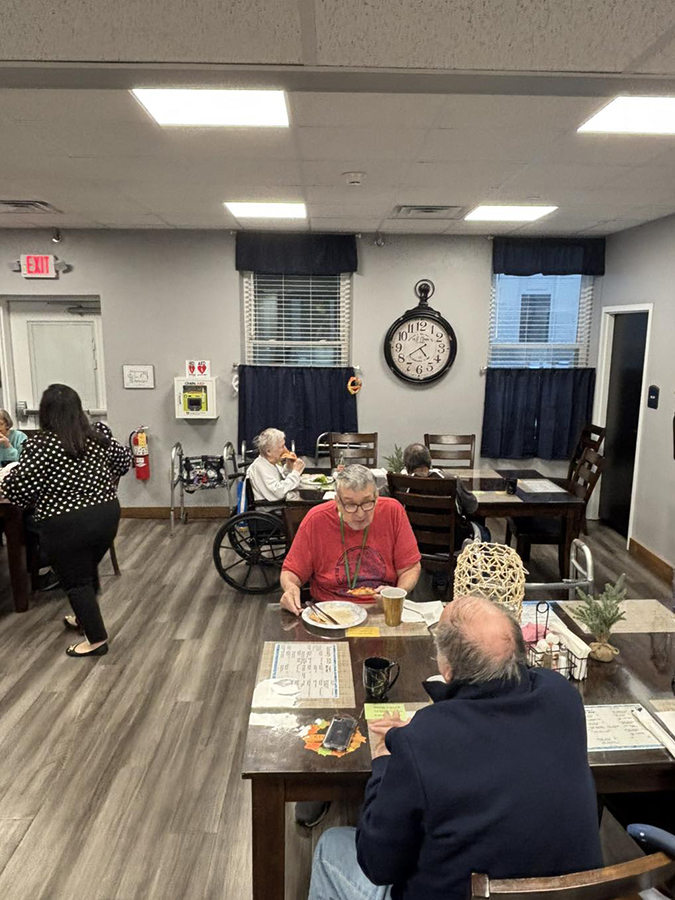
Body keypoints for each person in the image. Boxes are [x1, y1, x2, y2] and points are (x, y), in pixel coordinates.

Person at [309, 595, 603, 900]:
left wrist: (384, 760)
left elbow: (377, 865)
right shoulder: (564, 697)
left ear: (446, 669)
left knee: (330, 848)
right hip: (572, 894)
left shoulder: (422, 740)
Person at [2, 384, 132, 657]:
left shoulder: (40, 444)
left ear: (45, 412)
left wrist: (10, 476)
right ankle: (85, 617)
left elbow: (19, 492)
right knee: (85, 568)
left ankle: (96, 640)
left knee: (76, 581)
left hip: (65, 522)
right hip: (106, 515)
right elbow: (123, 463)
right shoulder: (97, 436)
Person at [280, 464, 421, 613]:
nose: (360, 514)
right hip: (329, 609)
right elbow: (292, 571)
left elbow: (410, 567)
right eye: (350, 505)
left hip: (383, 608)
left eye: (367, 503)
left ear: (377, 497)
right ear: (337, 501)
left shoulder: (393, 511)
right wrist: (290, 589)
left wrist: (396, 594)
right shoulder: (316, 519)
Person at [400, 442, 489, 546]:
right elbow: (472, 507)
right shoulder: (451, 480)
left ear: (407, 467)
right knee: (485, 533)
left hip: (415, 543)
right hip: (453, 544)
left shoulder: (399, 484)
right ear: (429, 462)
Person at [246, 427, 305, 503]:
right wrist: (296, 472)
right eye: (282, 447)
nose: (285, 450)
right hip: (272, 507)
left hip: (282, 504)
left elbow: (282, 480)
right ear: (268, 451)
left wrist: (289, 467)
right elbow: (278, 492)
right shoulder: (260, 467)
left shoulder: (273, 463)